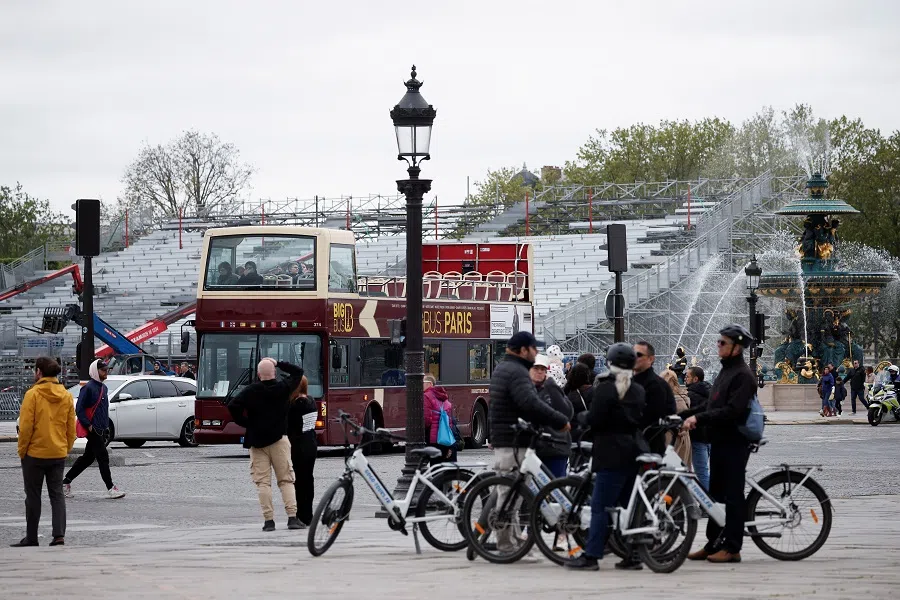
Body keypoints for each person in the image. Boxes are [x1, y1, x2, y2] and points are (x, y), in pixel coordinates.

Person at [485, 331, 570, 554]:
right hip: (513, 441)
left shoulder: (506, 368)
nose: (536, 353)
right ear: (524, 350)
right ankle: (507, 545)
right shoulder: (517, 372)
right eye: (534, 349)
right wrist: (558, 420)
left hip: (510, 438)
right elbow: (529, 403)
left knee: (513, 494)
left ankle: (513, 542)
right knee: (509, 493)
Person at [567, 343, 646, 571]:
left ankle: (591, 555)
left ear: (610, 363)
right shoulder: (638, 390)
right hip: (633, 453)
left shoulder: (606, 388)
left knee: (600, 507)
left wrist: (582, 418)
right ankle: (633, 555)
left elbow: (596, 419)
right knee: (626, 508)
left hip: (610, 453)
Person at [684, 324, 757, 564]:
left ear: (736, 348)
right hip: (719, 440)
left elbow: (732, 410)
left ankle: (733, 547)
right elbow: (711, 405)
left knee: (733, 495)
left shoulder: (744, 376)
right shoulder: (725, 372)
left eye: (723, 342)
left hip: (735, 441)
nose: (718, 345)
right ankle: (713, 543)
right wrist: (685, 415)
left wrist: (699, 419)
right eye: (719, 341)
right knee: (715, 494)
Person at [228, 358, 304, 531]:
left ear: (258, 374)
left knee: (263, 483)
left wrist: (247, 423)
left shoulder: (250, 390)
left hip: (257, 442)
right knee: (286, 480)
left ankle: (269, 521)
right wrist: (278, 362)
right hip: (279, 440)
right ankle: (292, 517)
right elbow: (298, 371)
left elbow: (233, 406)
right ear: (274, 373)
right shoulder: (283, 388)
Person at [12, 357, 76, 547]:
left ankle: (31, 537)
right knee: (57, 495)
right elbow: (71, 428)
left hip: (35, 454)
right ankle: (59, 535)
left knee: (33, 496)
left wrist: (22, 451)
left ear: (39, 372)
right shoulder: (66, 395)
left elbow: (25, 428)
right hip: (57, 453)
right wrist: (65, 447)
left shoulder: (33, 395)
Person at [63, 360, 126, 500]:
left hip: (101, 429)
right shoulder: (88, 388)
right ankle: (111, 488)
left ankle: (65, 482)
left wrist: (105, 426)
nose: (106, 372)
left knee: (87, 458)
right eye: (103, 370)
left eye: (107, 369)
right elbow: (79, 408)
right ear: (95, 371)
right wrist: (89, 425)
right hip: (93, 429)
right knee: (103, 457)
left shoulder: (103, 388)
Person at [530, 354, 573, 478]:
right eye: (536, 368)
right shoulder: (525, 390)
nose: (539, 372)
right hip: (536, 447)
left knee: (556, 488)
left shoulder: (551, 388)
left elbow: (567, 412)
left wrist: (551, 385)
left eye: (542, 369)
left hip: (556, 446)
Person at [632, 341, 676, 454]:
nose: (634, 357)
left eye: (639, 354)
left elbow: (655, 418)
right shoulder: (629, 382)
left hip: (648, 447)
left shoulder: (657, 385)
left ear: (651, 359)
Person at [287, 375, 317, 528]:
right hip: (311, 443)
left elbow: (290, 425)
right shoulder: (311, 401)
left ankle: (300, 515)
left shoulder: (296, 404)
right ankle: (308, 514)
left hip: (298, 445)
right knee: (308, 480)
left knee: (298, 481)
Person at [679, 366, 712, 490]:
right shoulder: (710, 390)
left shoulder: (690, 395)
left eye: (687, 376)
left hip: (697, 438)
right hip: (711, 437)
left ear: (695, 379)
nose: (685, 379)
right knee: (707, 472)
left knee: (701, 473)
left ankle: (707, 505)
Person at [423, 374, 457, 463]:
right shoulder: (443, 397)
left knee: (435, 467)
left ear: (429, 383)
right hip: (446, 438)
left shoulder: (426, 396)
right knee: (444, 468)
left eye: (422, 382)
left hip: (433, 439)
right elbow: (450, 421)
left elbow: (426, 419)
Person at [661, 369, 691, 467]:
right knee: (683, 470)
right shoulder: (684, 396)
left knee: (669, 471)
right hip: (685, 437)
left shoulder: (666, 399)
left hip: (670, 437)